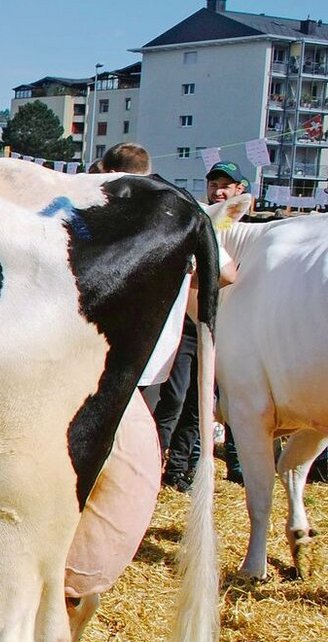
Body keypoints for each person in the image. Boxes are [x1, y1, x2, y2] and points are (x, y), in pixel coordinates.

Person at [154, 161, 243, 491]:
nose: (218, 190)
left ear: (239, 192)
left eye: (225, 185)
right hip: (188, 325)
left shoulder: (242, 229)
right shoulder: (201, 218)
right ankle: (155, 463)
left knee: (199, 404)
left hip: (222, 328)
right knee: (174, 398)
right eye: (213, 183)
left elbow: (232, 273)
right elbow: (227, 273)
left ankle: (180, 468)